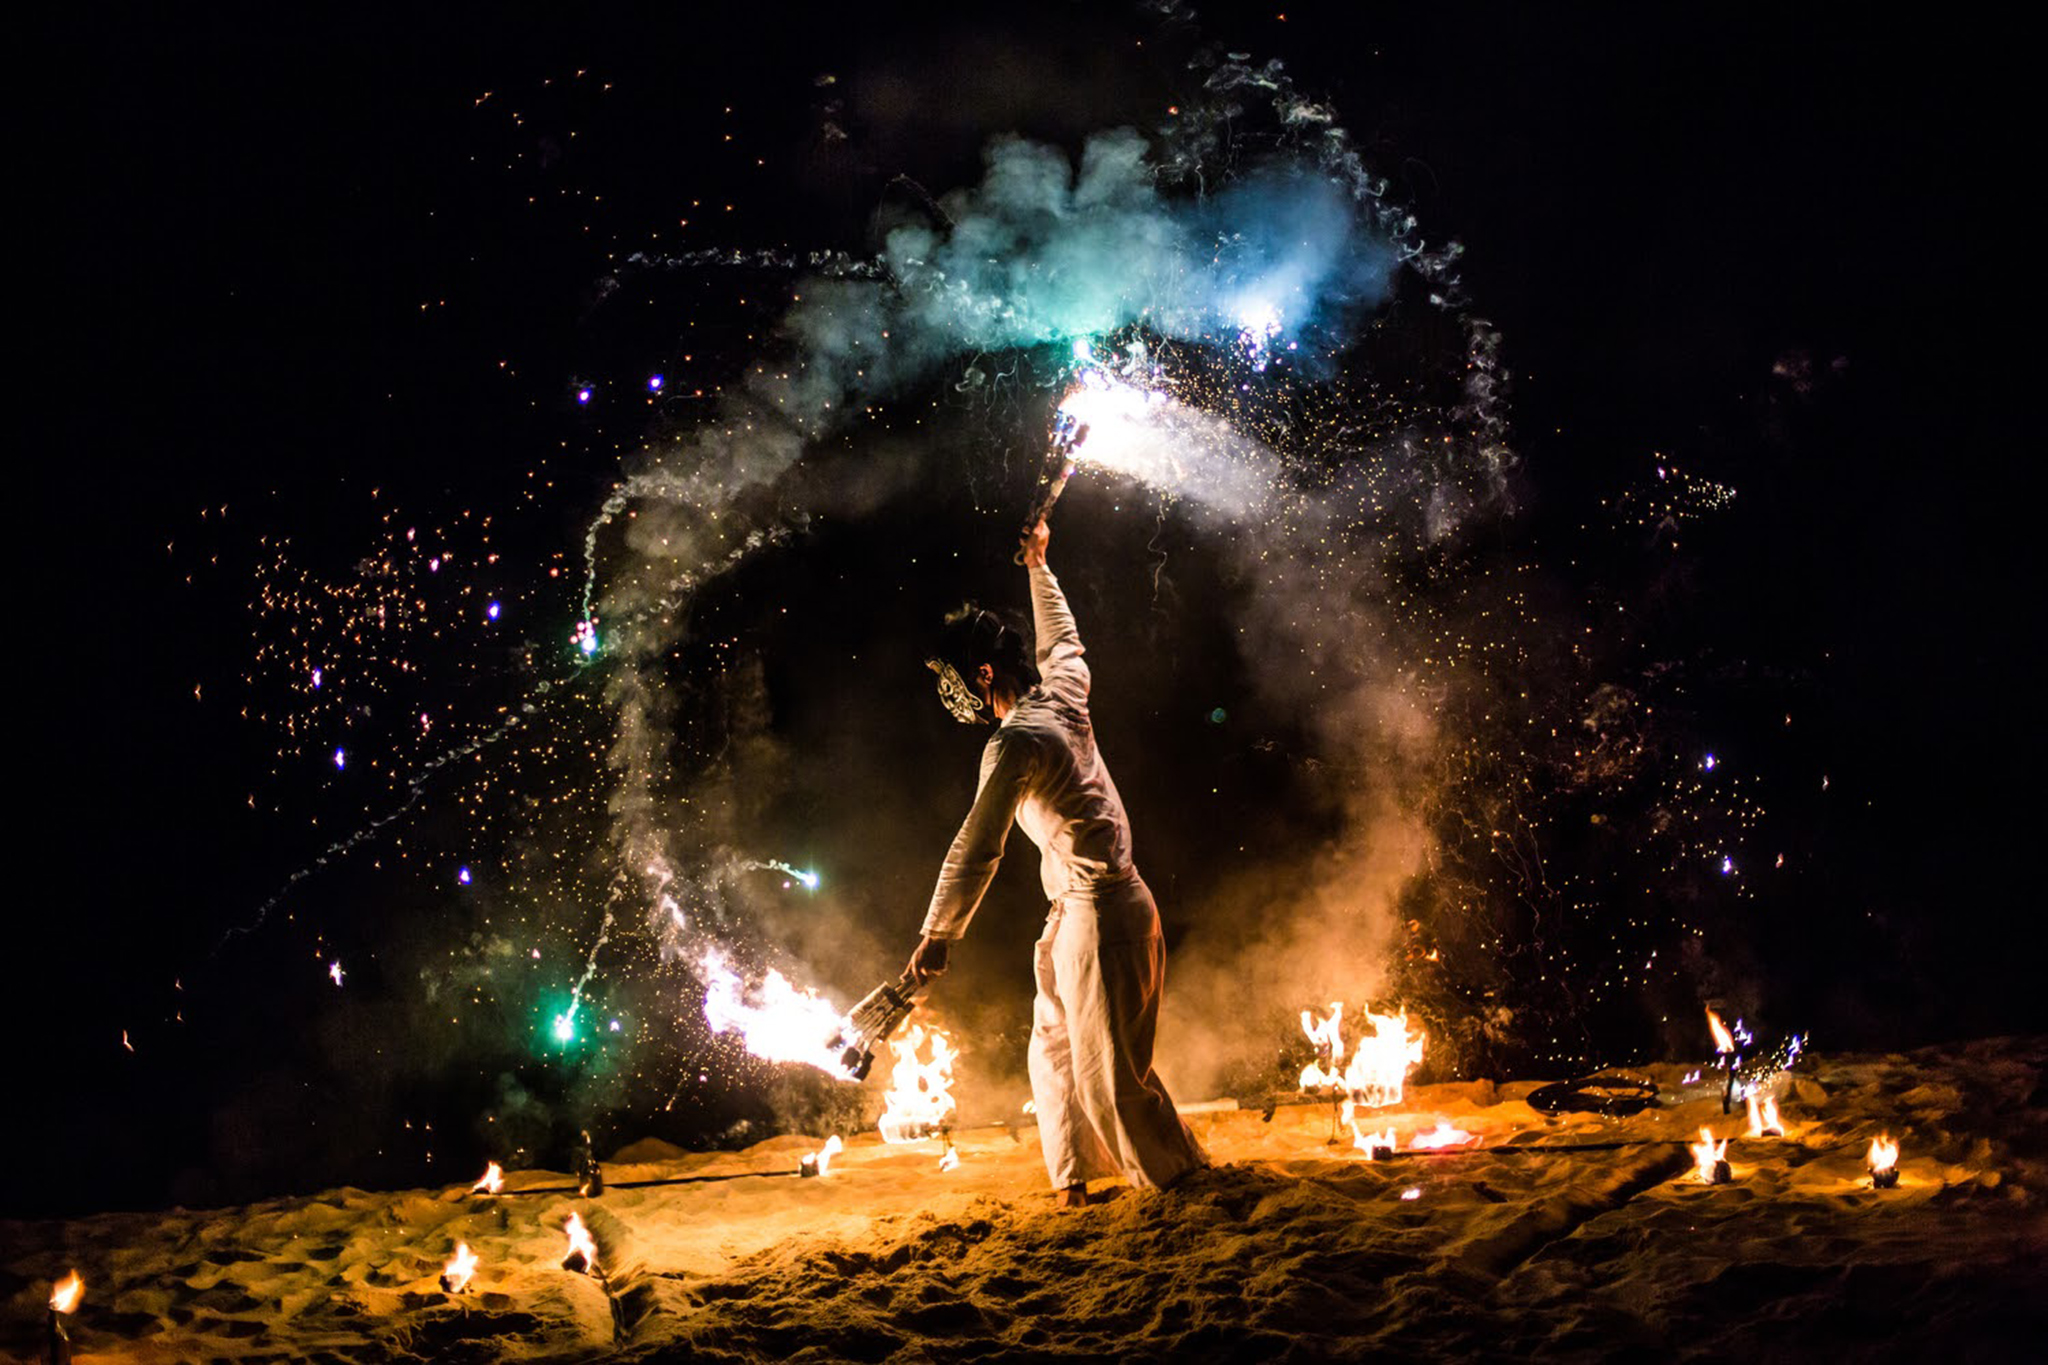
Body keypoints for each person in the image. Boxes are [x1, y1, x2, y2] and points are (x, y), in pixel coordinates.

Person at [908, 517, 1207, 1207]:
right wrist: (1038, 563)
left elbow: (977, 844)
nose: (952, 692)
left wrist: (938, 934)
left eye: (956, 677)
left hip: (1105, 922)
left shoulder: (1014, 743)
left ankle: (1186, 1195)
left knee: (1114, 1081)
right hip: (1083, 914)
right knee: (1055, 1051)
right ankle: (1075, 1185)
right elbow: (1064, 641)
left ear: (983, 673)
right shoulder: (1063, 694)